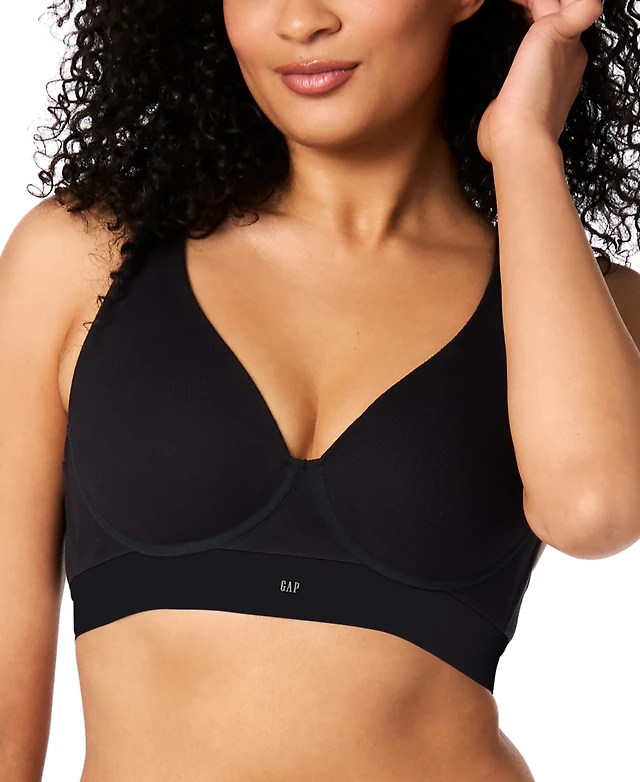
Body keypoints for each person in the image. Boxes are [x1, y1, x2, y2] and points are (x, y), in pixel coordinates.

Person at [1, 0, 640, 779]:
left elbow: (595, 512)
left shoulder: (584, 307)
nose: (301, 20)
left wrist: (523, 144)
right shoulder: (83, 260)